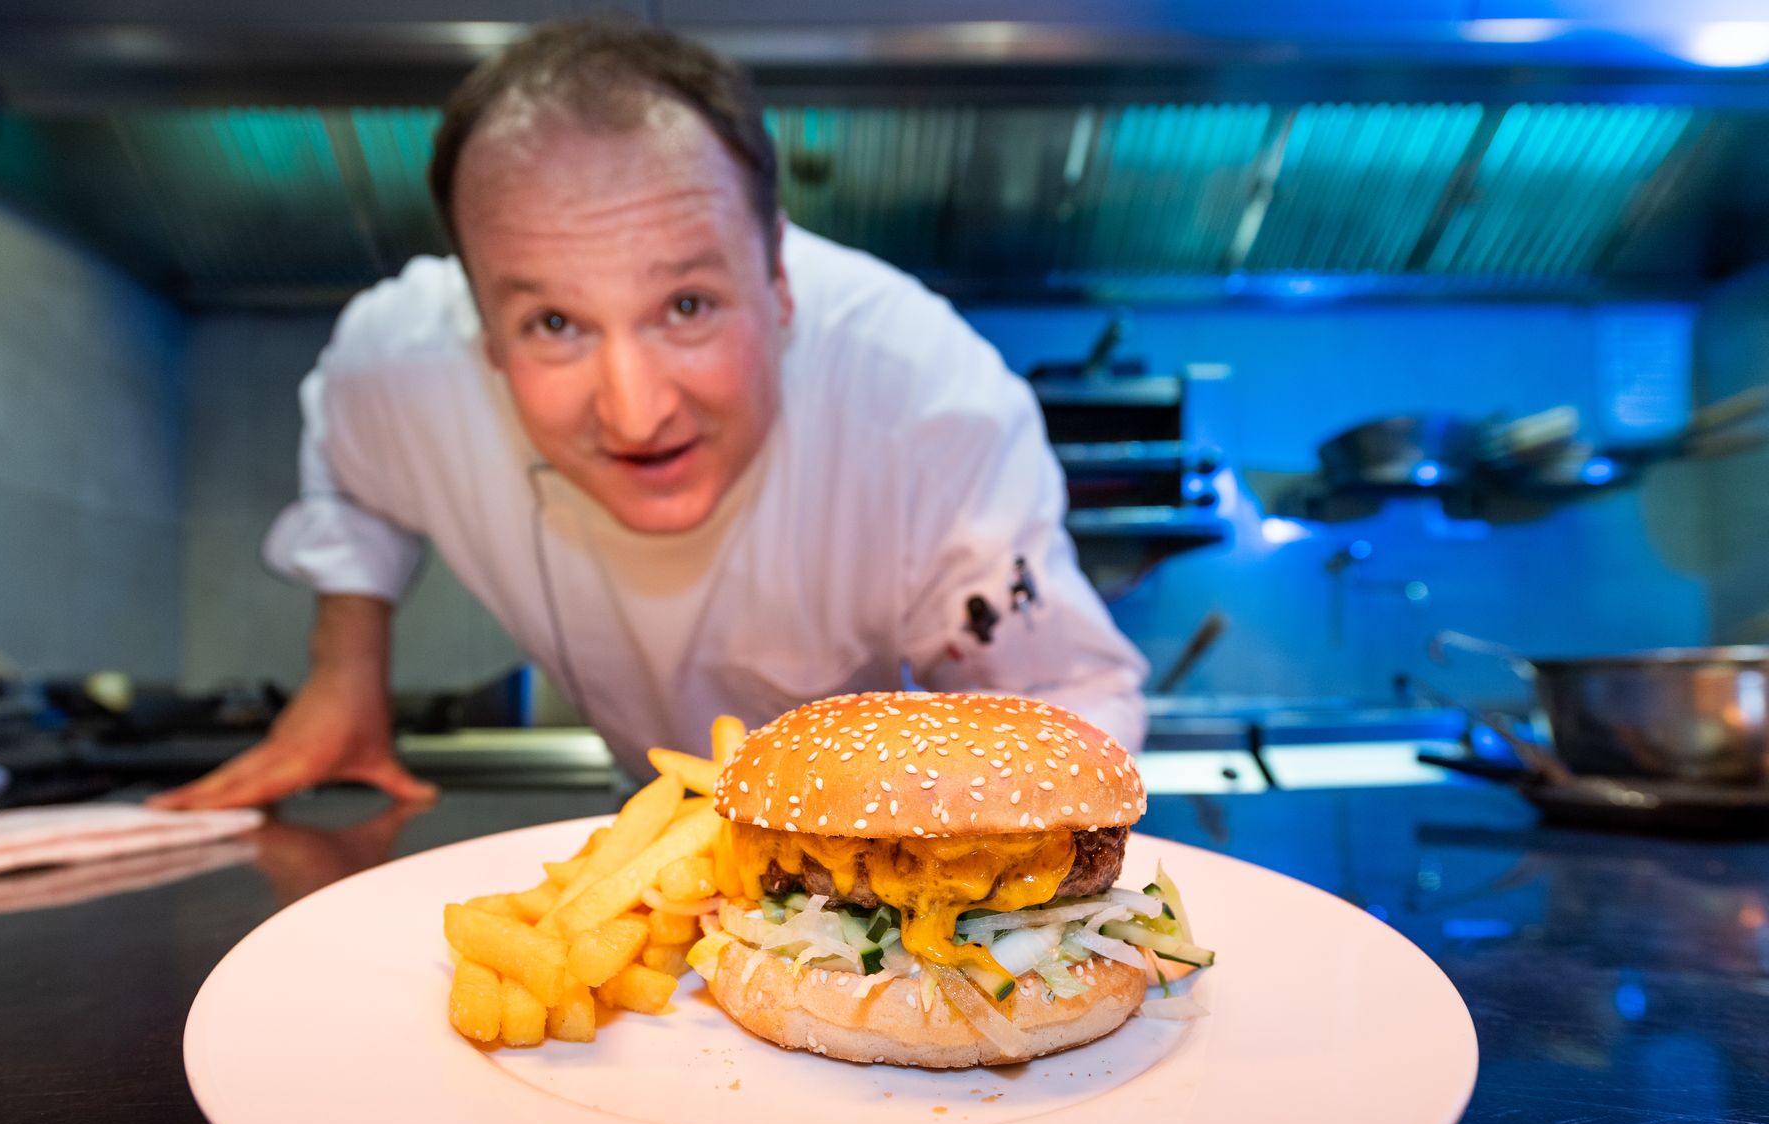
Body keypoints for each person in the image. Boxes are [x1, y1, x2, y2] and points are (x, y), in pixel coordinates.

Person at [150, 19, 1149, 812]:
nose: (636, 411)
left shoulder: (930, 405)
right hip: (651, 822)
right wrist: (344, 672)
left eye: (686, 306)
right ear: (483, 334)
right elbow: (350, 464)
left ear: (780, 282)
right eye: (553, 322)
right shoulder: (402, 358)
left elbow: (1064, 708)